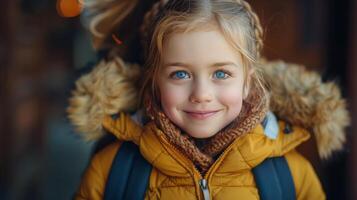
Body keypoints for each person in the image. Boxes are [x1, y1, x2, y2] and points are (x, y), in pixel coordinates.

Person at [67, 0, 350, 199]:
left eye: (221, 73)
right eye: (180, 74)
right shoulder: (113, 170)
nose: (201, 94)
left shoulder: (290, 174)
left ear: (247, 81)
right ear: (154, 80)